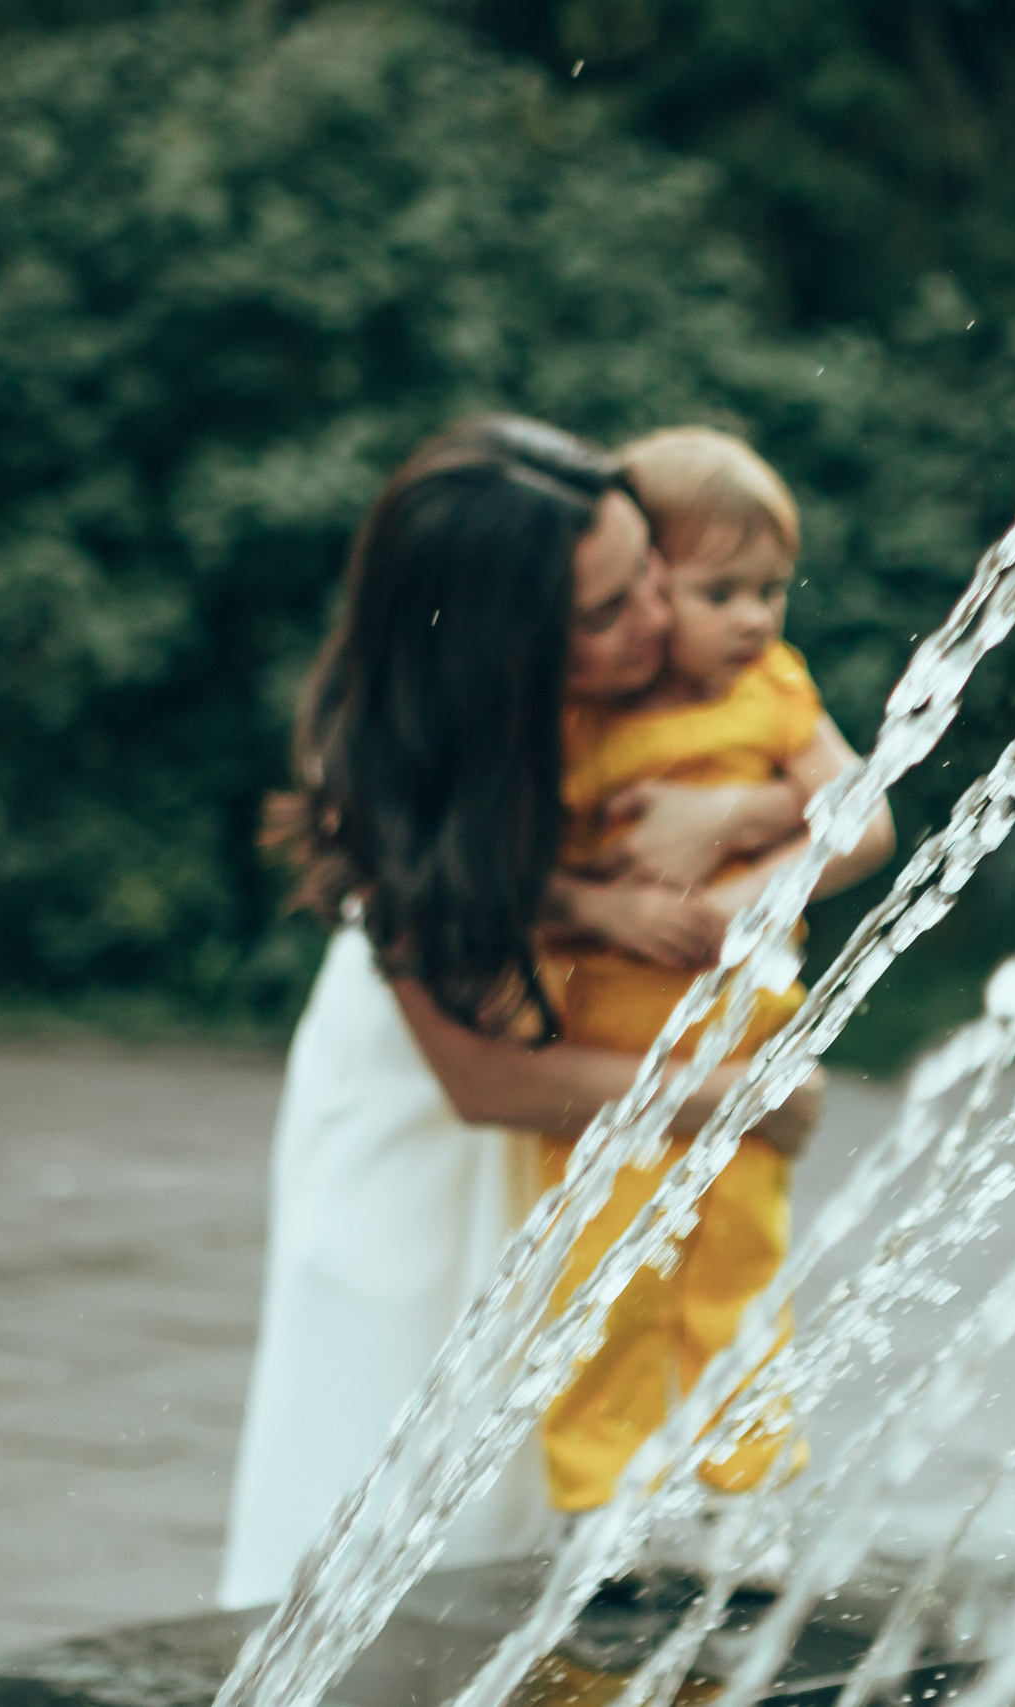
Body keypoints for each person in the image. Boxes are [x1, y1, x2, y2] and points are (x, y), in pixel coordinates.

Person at [215, 416, 822, 1610]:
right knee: (400, 1479)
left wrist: (743, 823)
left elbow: (837, 801)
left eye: (646, 572)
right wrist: (731, 1103)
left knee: (595, 1431)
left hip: (597, 1103)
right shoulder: (402, 776)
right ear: (503, 649)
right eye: (603, 614)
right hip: (433, 1131)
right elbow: (480, 1082)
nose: (654, 621)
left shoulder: (690, 678)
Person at [531, 426, 896, 1519]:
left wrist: (745, 890)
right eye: (720, 590)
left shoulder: (774, 692)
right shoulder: (573, 715)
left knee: (739, 1272)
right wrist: (609, 908)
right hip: (607, 1054)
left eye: (772, 588)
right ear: (650, 585)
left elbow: (863, 818)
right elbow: (512, 878)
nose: (754, 616)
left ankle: (742, 1493)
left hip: (741, 1041)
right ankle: (598, 1502)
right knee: (606, 1282)